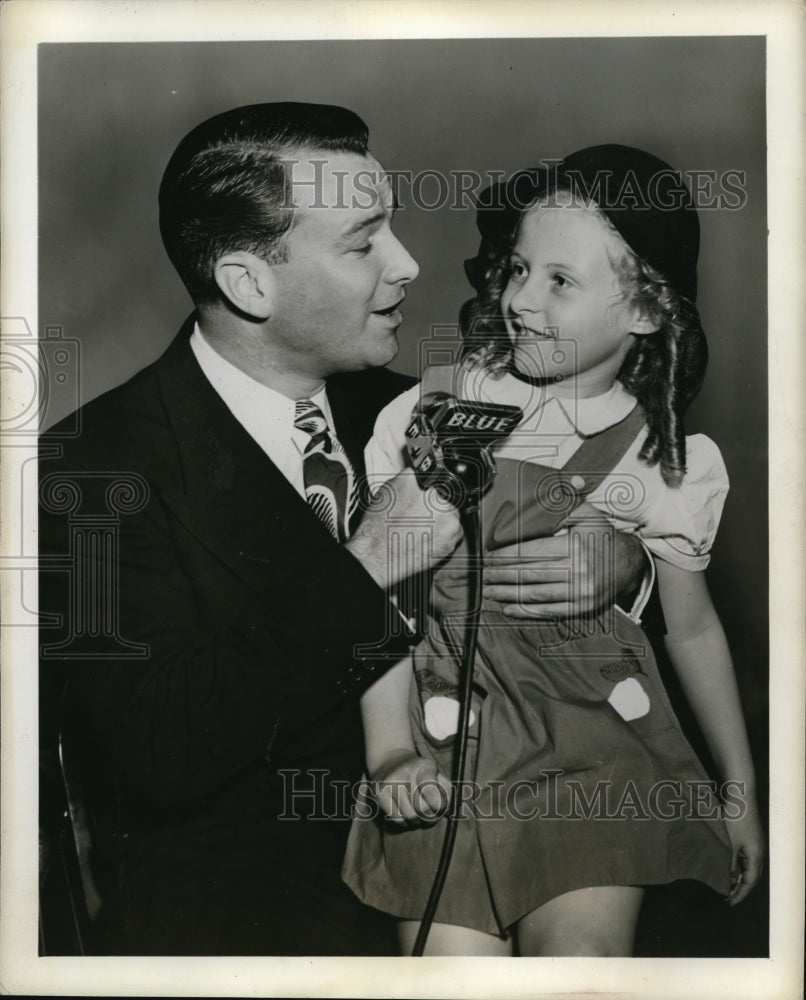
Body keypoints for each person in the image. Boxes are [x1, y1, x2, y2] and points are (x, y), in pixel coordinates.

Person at [38, 106, 646, 957]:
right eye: (364, 243)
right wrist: (367, 564)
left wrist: (621, 560)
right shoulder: (91, 464)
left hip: (489, 828)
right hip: (256, 903)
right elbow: (148, 754)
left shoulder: (421, 407)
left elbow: (586, 581)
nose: (408, 264)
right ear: (251, 284)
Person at [342, 144, 765, 957]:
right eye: (517, 270)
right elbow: (375, 595)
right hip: (441, 740)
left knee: (581, 965)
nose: (518, 301)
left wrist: (741, 792)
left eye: (559, 282)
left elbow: (695, 630)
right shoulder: (427, 411)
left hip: (594, 747)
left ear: (646, 311)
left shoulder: (665, 458)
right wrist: (389, 748)